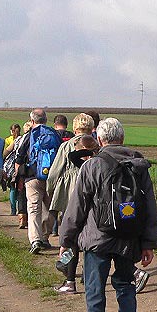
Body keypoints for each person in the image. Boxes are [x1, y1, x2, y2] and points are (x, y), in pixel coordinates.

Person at [58, 118, 157, 312]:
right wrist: (148, 242)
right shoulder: (139, 165)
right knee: (125, 284)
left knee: (95, 294)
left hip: (97, 240)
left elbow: (77, 207)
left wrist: (66, 240)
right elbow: (149, 207)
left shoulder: (91, 166)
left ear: (100, 140)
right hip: (129, 238)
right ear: (122, 138)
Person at [47, 123, 97, 294]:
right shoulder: (97, 164)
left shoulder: (84, 166)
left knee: (72, 243)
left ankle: (69, 280)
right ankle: (84, 275)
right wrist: (93, 150)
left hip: (78, 205)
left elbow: (71, 156)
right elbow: (74, 155)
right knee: (88, 244)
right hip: (94, 211)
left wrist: (83, 149)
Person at [15, 108, 61, 254]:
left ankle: (35, 240)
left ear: (32, 120)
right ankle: (45, 237)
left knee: (34, 208)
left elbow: (19, 158)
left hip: (32, 177)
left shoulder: (28, 136)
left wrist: (19, 176)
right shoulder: (54, 134)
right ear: (46, 120)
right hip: (51, 177)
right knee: (50, 208)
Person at [3, 123, 22, 215]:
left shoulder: (10, 140)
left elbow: (6, 152)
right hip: (22, 165)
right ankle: (20, 208)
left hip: (12, 166)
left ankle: (13, 209)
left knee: (12, 188)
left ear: (12, 131)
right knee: (20, 188)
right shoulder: (23, 138)